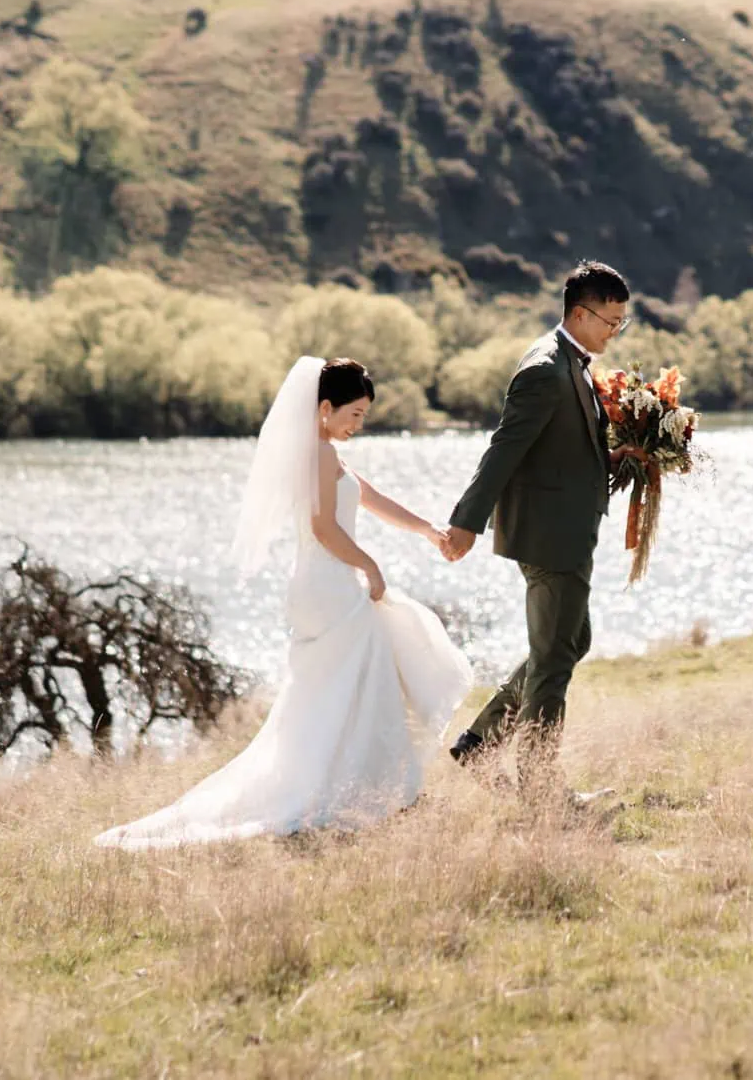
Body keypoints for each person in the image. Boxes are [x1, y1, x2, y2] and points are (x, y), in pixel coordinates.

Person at [95, 357, 473, 848]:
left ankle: (376, 789)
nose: (359, 424)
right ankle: (374, 792)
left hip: (324, 582)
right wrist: (370, 566)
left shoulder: (325, 453)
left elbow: (370, 498)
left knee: (341, 689)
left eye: (363, 415)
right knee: (364, 677)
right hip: (328, 585)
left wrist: (427, 530)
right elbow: (323, 527)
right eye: (354, 414)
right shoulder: (319, 454)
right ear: (325, 407)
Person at [442, 259, 629, 796]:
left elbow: (561, 449)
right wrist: (466, 522)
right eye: (611, 321)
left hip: (566, 530)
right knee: (553, 657)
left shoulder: (575, 363)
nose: (615, 331)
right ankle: (541, 788)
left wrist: (620, 459)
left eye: (622, 322)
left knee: (569, 642)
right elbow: (505, 448)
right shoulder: (544, 368)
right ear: (580, 313)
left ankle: (480, 744)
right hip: (549, 536)